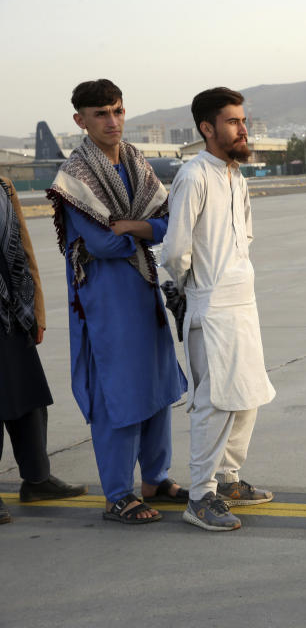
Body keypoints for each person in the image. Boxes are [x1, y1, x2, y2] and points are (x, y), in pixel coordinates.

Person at [46, 79, 188, 525]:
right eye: (101, 114)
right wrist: (138, 230)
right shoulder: (75, 177)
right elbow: (102, 245)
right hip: (105, 300)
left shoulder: (136, 162)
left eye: (118, 111)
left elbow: (169, 223)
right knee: (119, 394)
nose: (113, 121)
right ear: (80, 121)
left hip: (142, 290)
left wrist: (132, 227)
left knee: (157, 389)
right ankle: (118, 494)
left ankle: (154, 479)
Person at [162, 87, 276, 532]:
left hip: (243, 302)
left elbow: (244, 237)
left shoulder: (236, 176)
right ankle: (201, 495)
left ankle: (228, 479)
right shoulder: (194, 176)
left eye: (243, 120)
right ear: (207, 128)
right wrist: (195, 286)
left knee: (247, 396)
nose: (242, 128)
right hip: (210, 306)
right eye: (232, 121)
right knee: (214, 403)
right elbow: (175, 249)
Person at [1, 177, 87, 524]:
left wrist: (34, 308)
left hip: (10, 310)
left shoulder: (3, 186)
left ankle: (37, 479)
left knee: (29, 400)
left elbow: (22, 248)